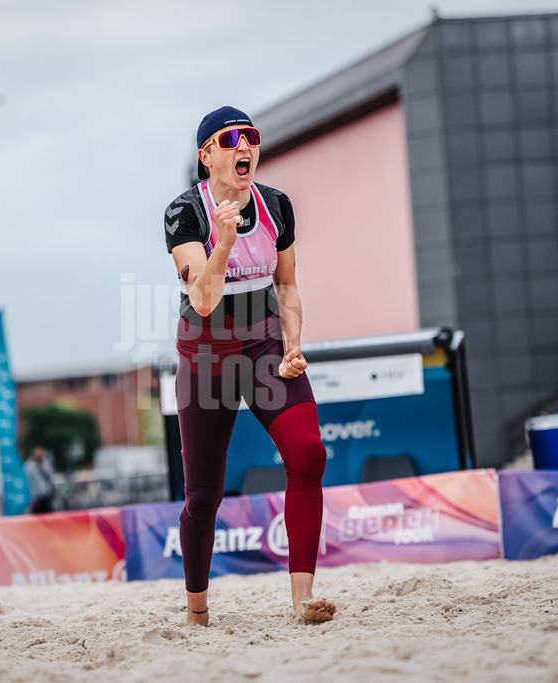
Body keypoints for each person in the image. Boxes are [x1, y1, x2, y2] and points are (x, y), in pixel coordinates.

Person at [163, 106, 337, 626]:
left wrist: (293, 345)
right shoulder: (184, 213)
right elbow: (204, 300)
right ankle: (197, 612)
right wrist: (224, 241)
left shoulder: (277, 205)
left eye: (251, 137)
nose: (244, 146)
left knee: (309, 454)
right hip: (207, 355)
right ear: (206, 156)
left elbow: (287, 285)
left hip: (264, 347)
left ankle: (303, 599)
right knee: (204, 496)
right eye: (230, 139)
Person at [24, 446, 57, 514]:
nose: (39, 457)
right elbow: (28, 482)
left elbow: (50, 475)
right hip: (36, 499)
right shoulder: (29, 466)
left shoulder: (47, 463)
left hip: (47, 496)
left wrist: (42, 464)